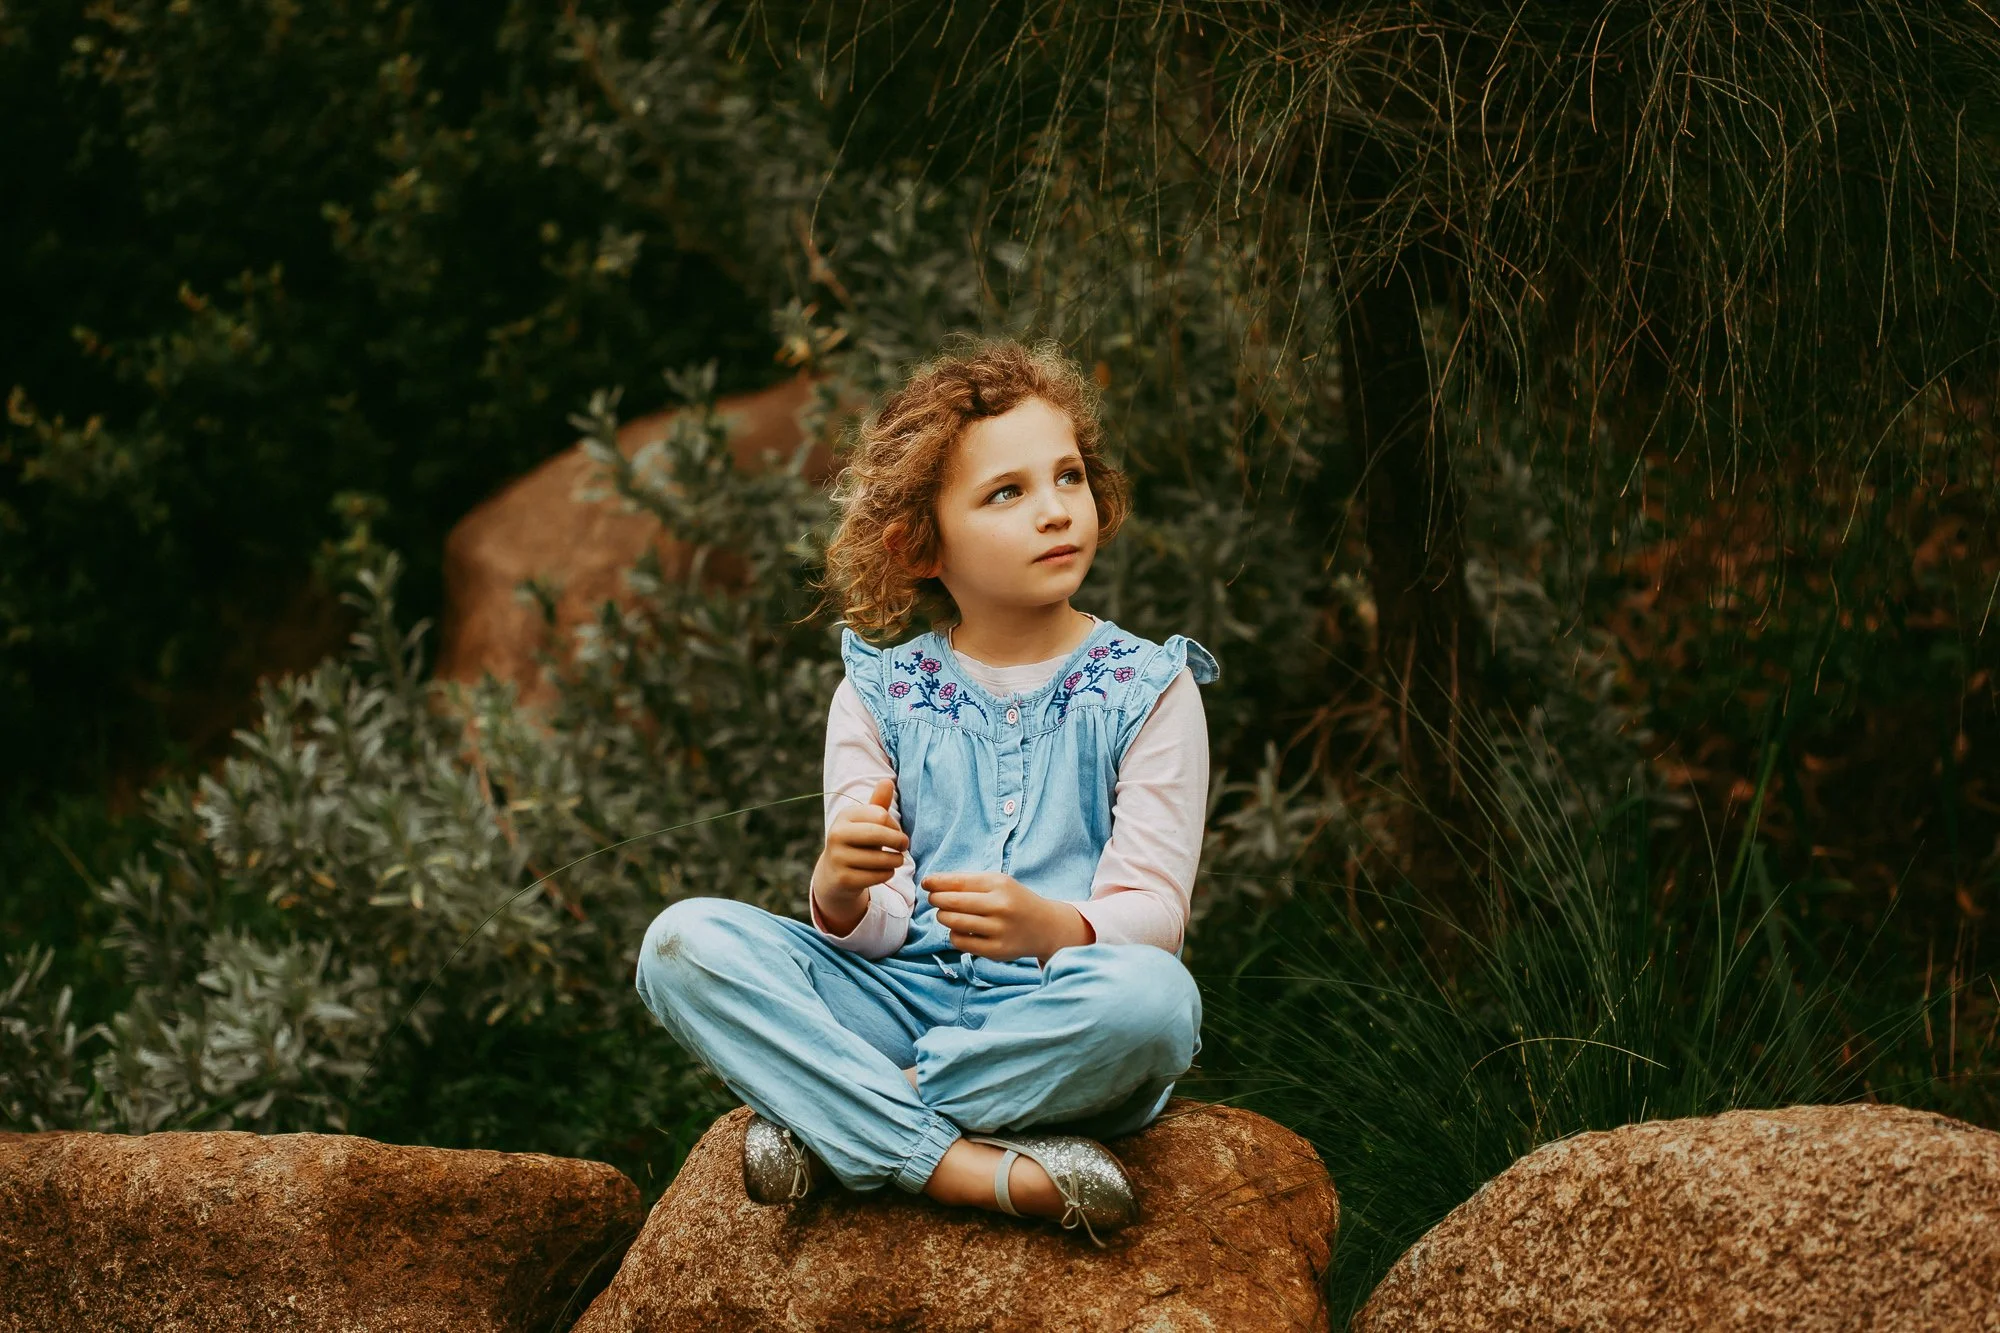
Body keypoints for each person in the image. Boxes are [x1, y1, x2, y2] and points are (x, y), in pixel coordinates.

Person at [633, 335, 1219, 1243]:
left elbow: (1155, 910)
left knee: (1158, 1004)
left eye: (1068, 476)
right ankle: (966, 1170)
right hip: (895, 1000)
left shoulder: (1151, 687)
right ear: (917, 545)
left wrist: (1052, 928)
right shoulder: (879, 692)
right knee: (680, 944)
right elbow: (879, 926)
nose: (1056, 510)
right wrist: (838, 888)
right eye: (1006, 493)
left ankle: (839, 1119)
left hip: (1055, 1015)